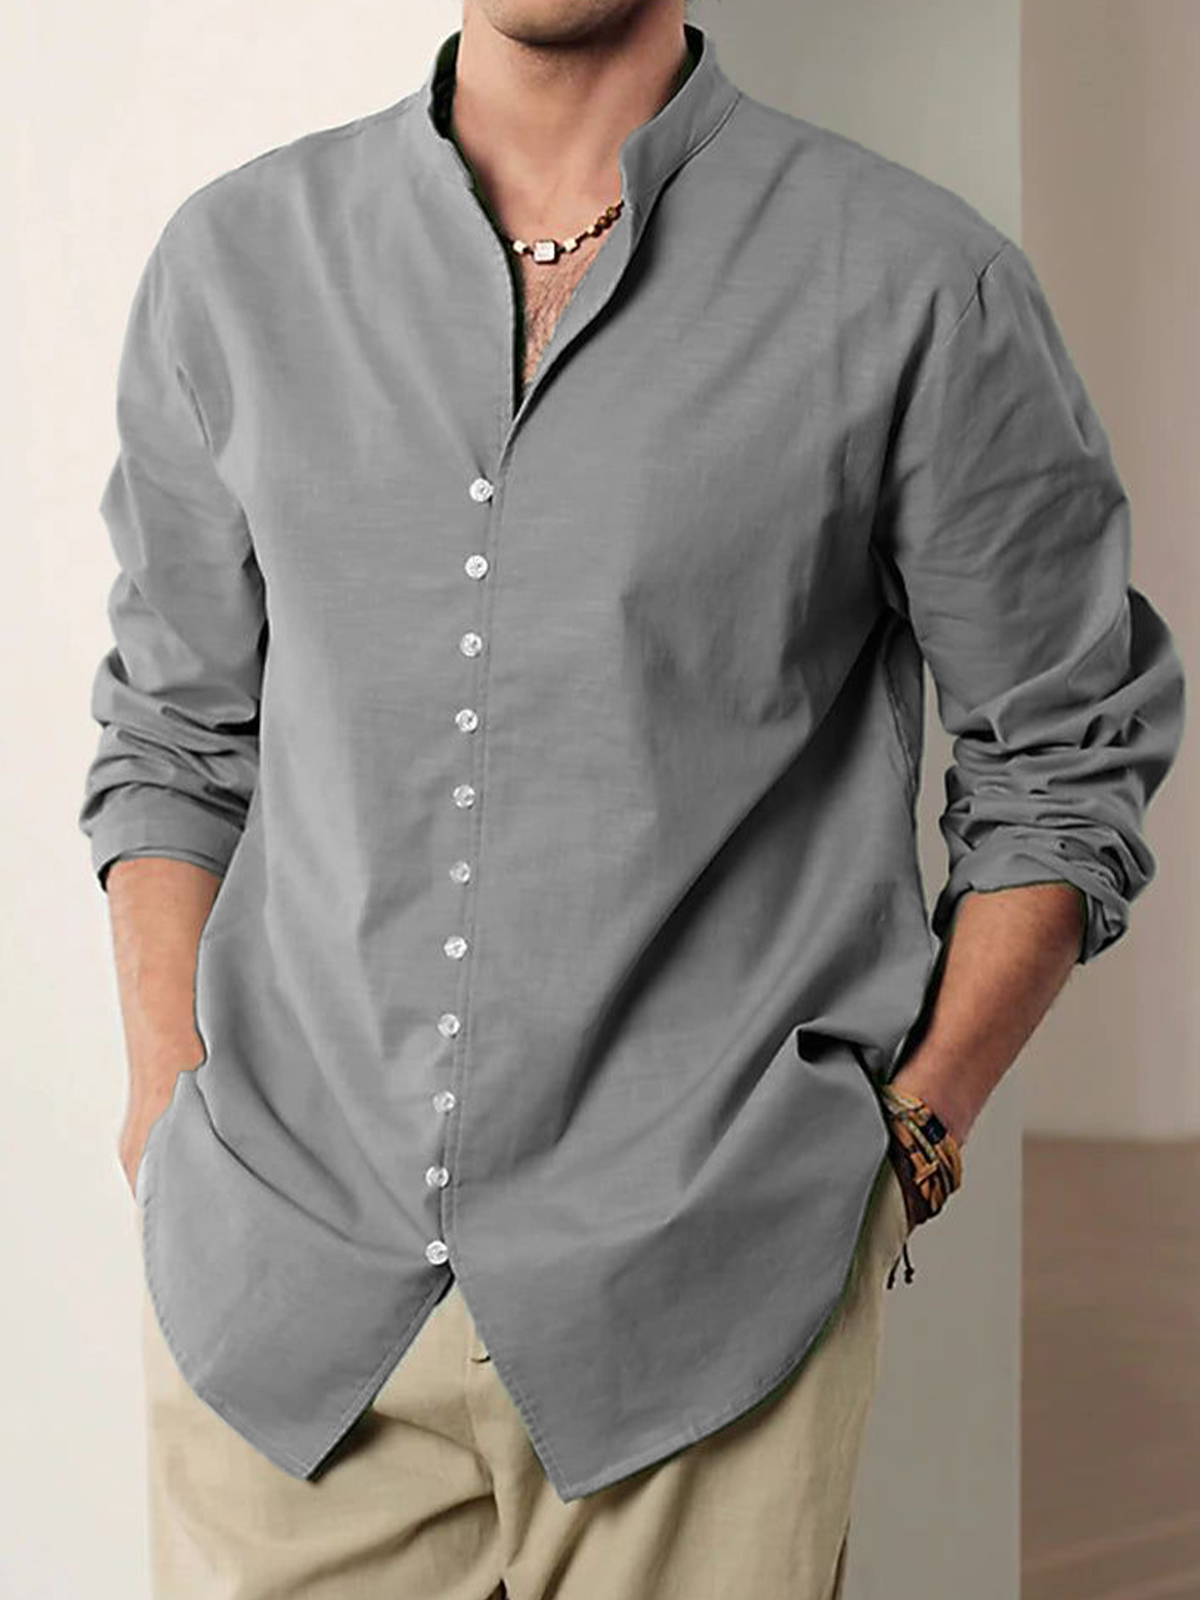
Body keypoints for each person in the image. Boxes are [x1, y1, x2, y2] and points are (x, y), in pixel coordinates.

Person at [78, 2, 1186, 1596]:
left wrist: (913, 1144)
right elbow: (175, 737)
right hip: (279, 1306)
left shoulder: (917, 286)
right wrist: (166, 1106)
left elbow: (1064, 757)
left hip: (709, 1308)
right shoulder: (235, 264)